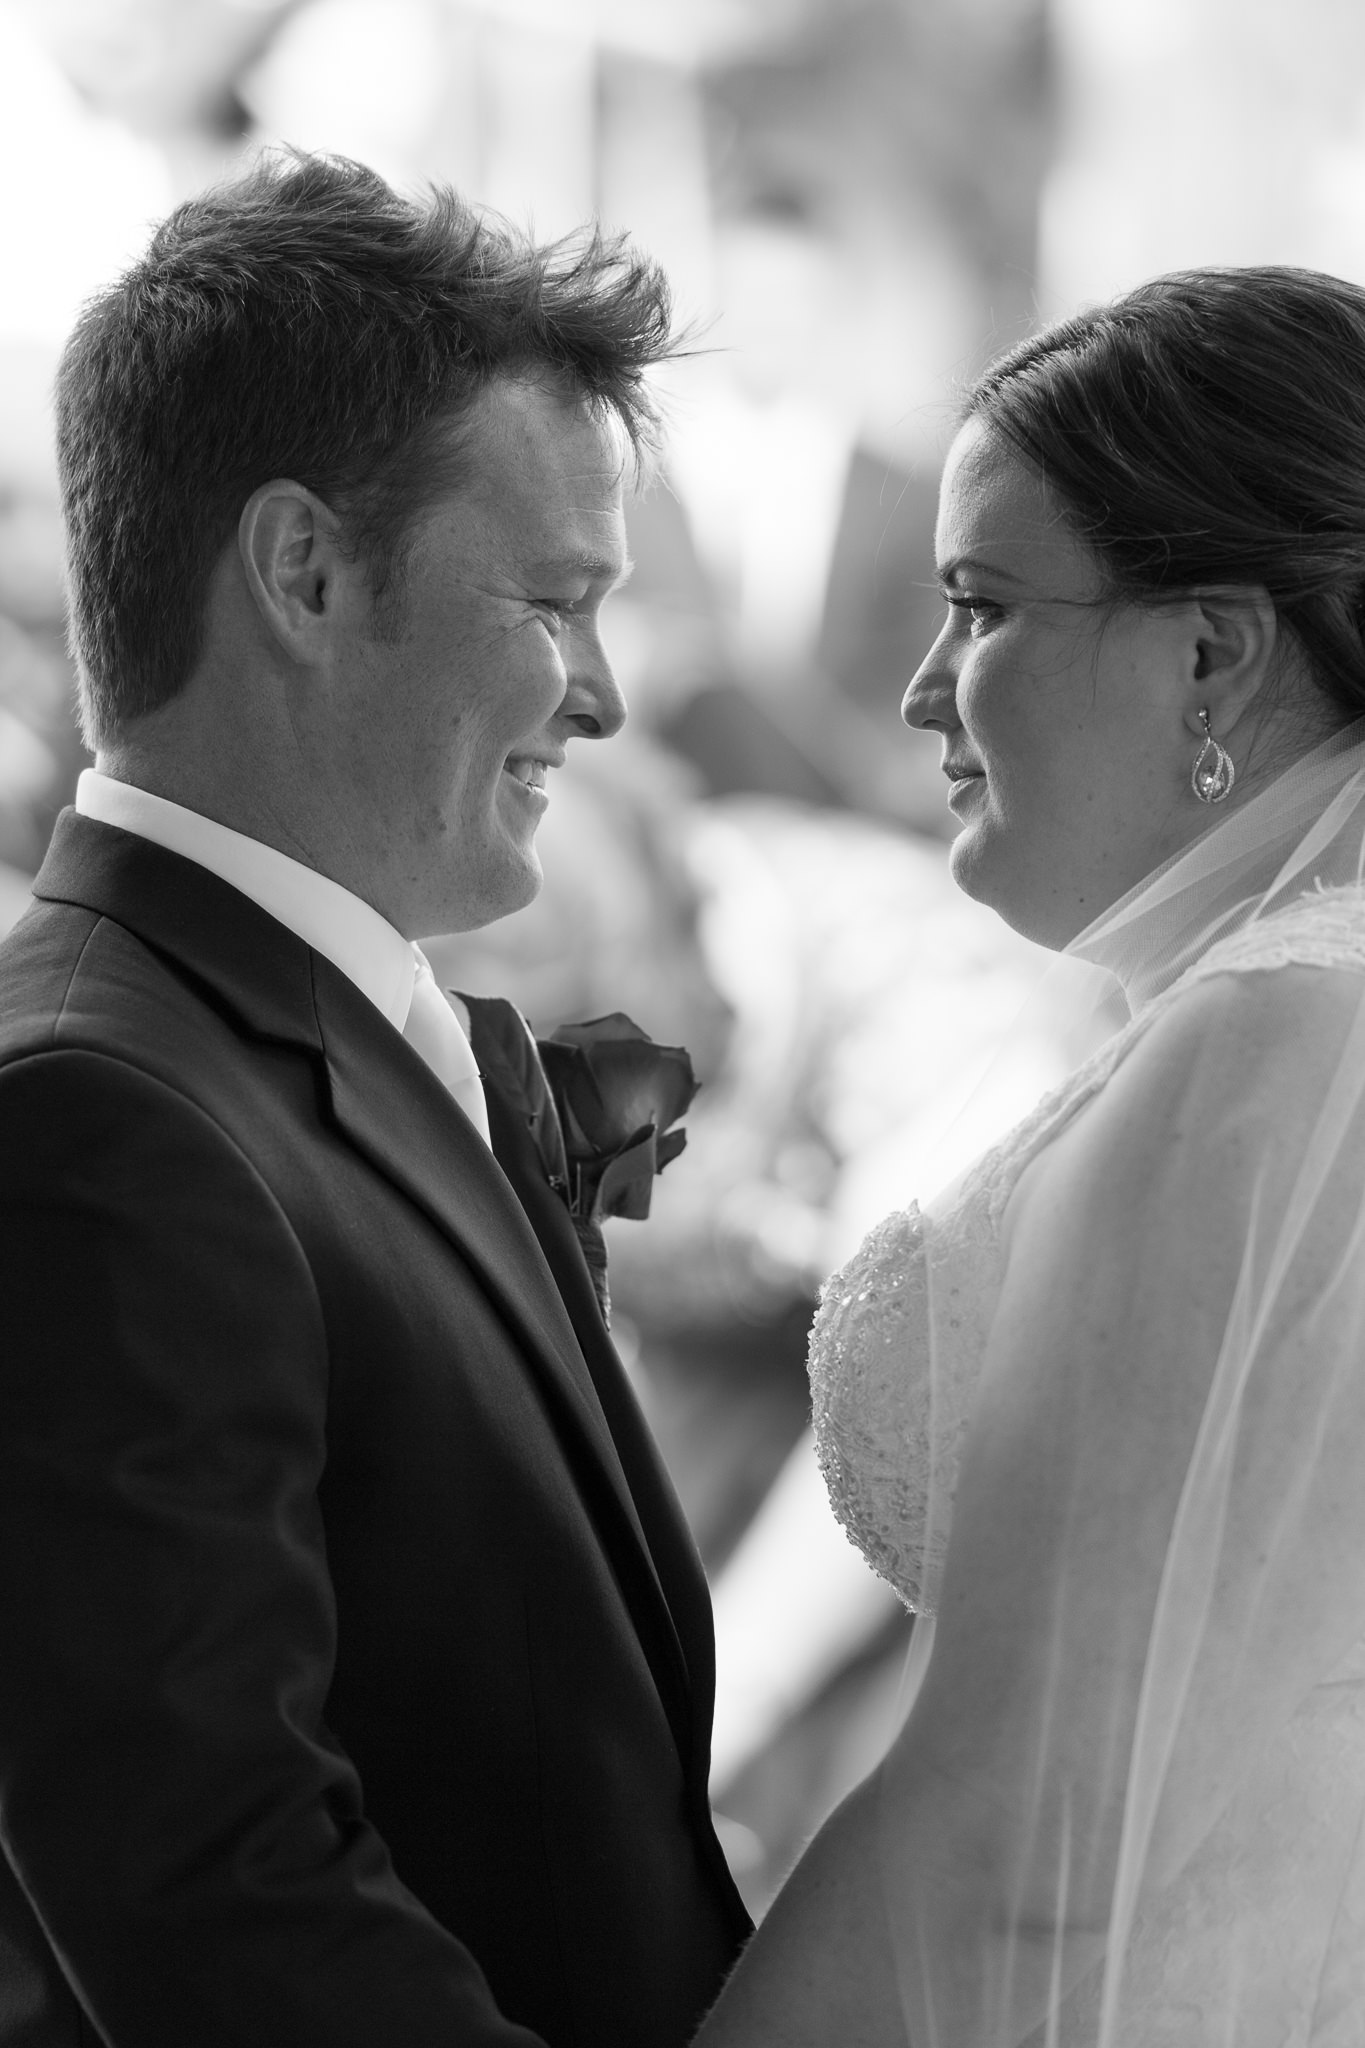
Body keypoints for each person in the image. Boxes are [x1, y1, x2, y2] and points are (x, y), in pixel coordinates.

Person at [0, 151, 750, 2046]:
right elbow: (221, 1906)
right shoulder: (95, 1125)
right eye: (559, 600)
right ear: (307, 572)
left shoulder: (278, 1044)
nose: (603, 699)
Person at [692, 266, 1365, 2046]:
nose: (919, 692)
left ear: (1211, 648)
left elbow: (1016, 1845)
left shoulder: (1263, 1048)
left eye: (979, 608)